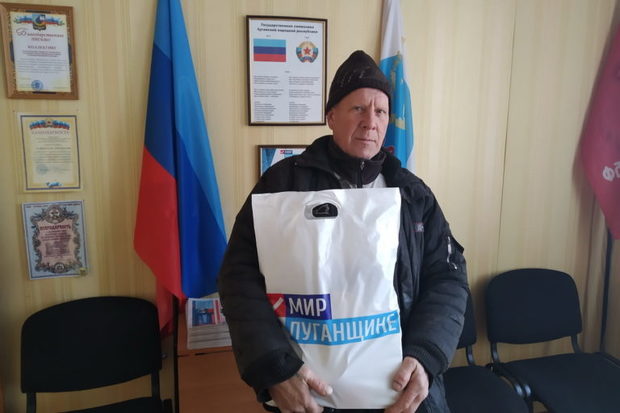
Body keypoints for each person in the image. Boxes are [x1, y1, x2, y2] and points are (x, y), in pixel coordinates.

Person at [218, 50, 468, 413]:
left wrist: (427, 355)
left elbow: (448, 277)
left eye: (380, 111)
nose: (371, 122)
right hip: (308, 393)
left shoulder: (413, 195)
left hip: (402, 391)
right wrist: (272, 368)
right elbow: (238, 277)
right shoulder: (282, 185)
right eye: (358, 108)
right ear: (331, 116)